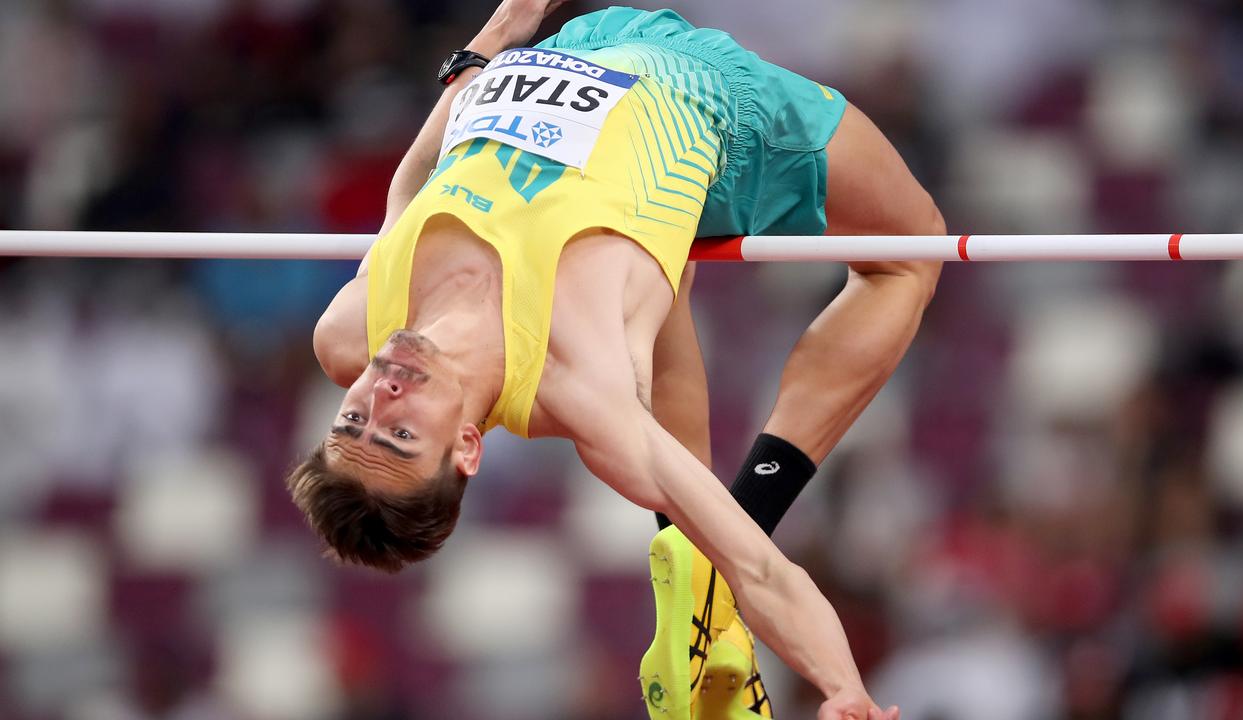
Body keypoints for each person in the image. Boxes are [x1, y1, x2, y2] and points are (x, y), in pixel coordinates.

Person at [285, 1, 942, 718]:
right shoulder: (580, 383)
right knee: (911, 253)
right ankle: (721, 546)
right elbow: (763, 570)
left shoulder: (351, 331)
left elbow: (407, 191)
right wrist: (845, 688)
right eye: (402, 435)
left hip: (575, 47)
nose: (383, 397)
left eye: (353, 422)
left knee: (659, 295)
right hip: (710, 102)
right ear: (468, 446)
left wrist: (497, 35)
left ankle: (694, 567)